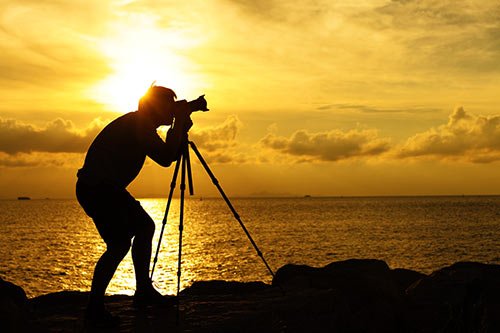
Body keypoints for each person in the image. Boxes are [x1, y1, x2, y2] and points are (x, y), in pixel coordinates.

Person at [76, 85, 207, 327]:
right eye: (170, 105)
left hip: (103, 188)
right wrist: (179, 123)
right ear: (157, 108)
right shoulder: (139, 125)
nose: (172, 111)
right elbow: (167, 158)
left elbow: (169, 154)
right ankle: (95, 308)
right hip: (99, 188)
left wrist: (181, 121)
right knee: (119, 244)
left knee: (143, 228)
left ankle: (142, 291)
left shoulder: (140, 123)